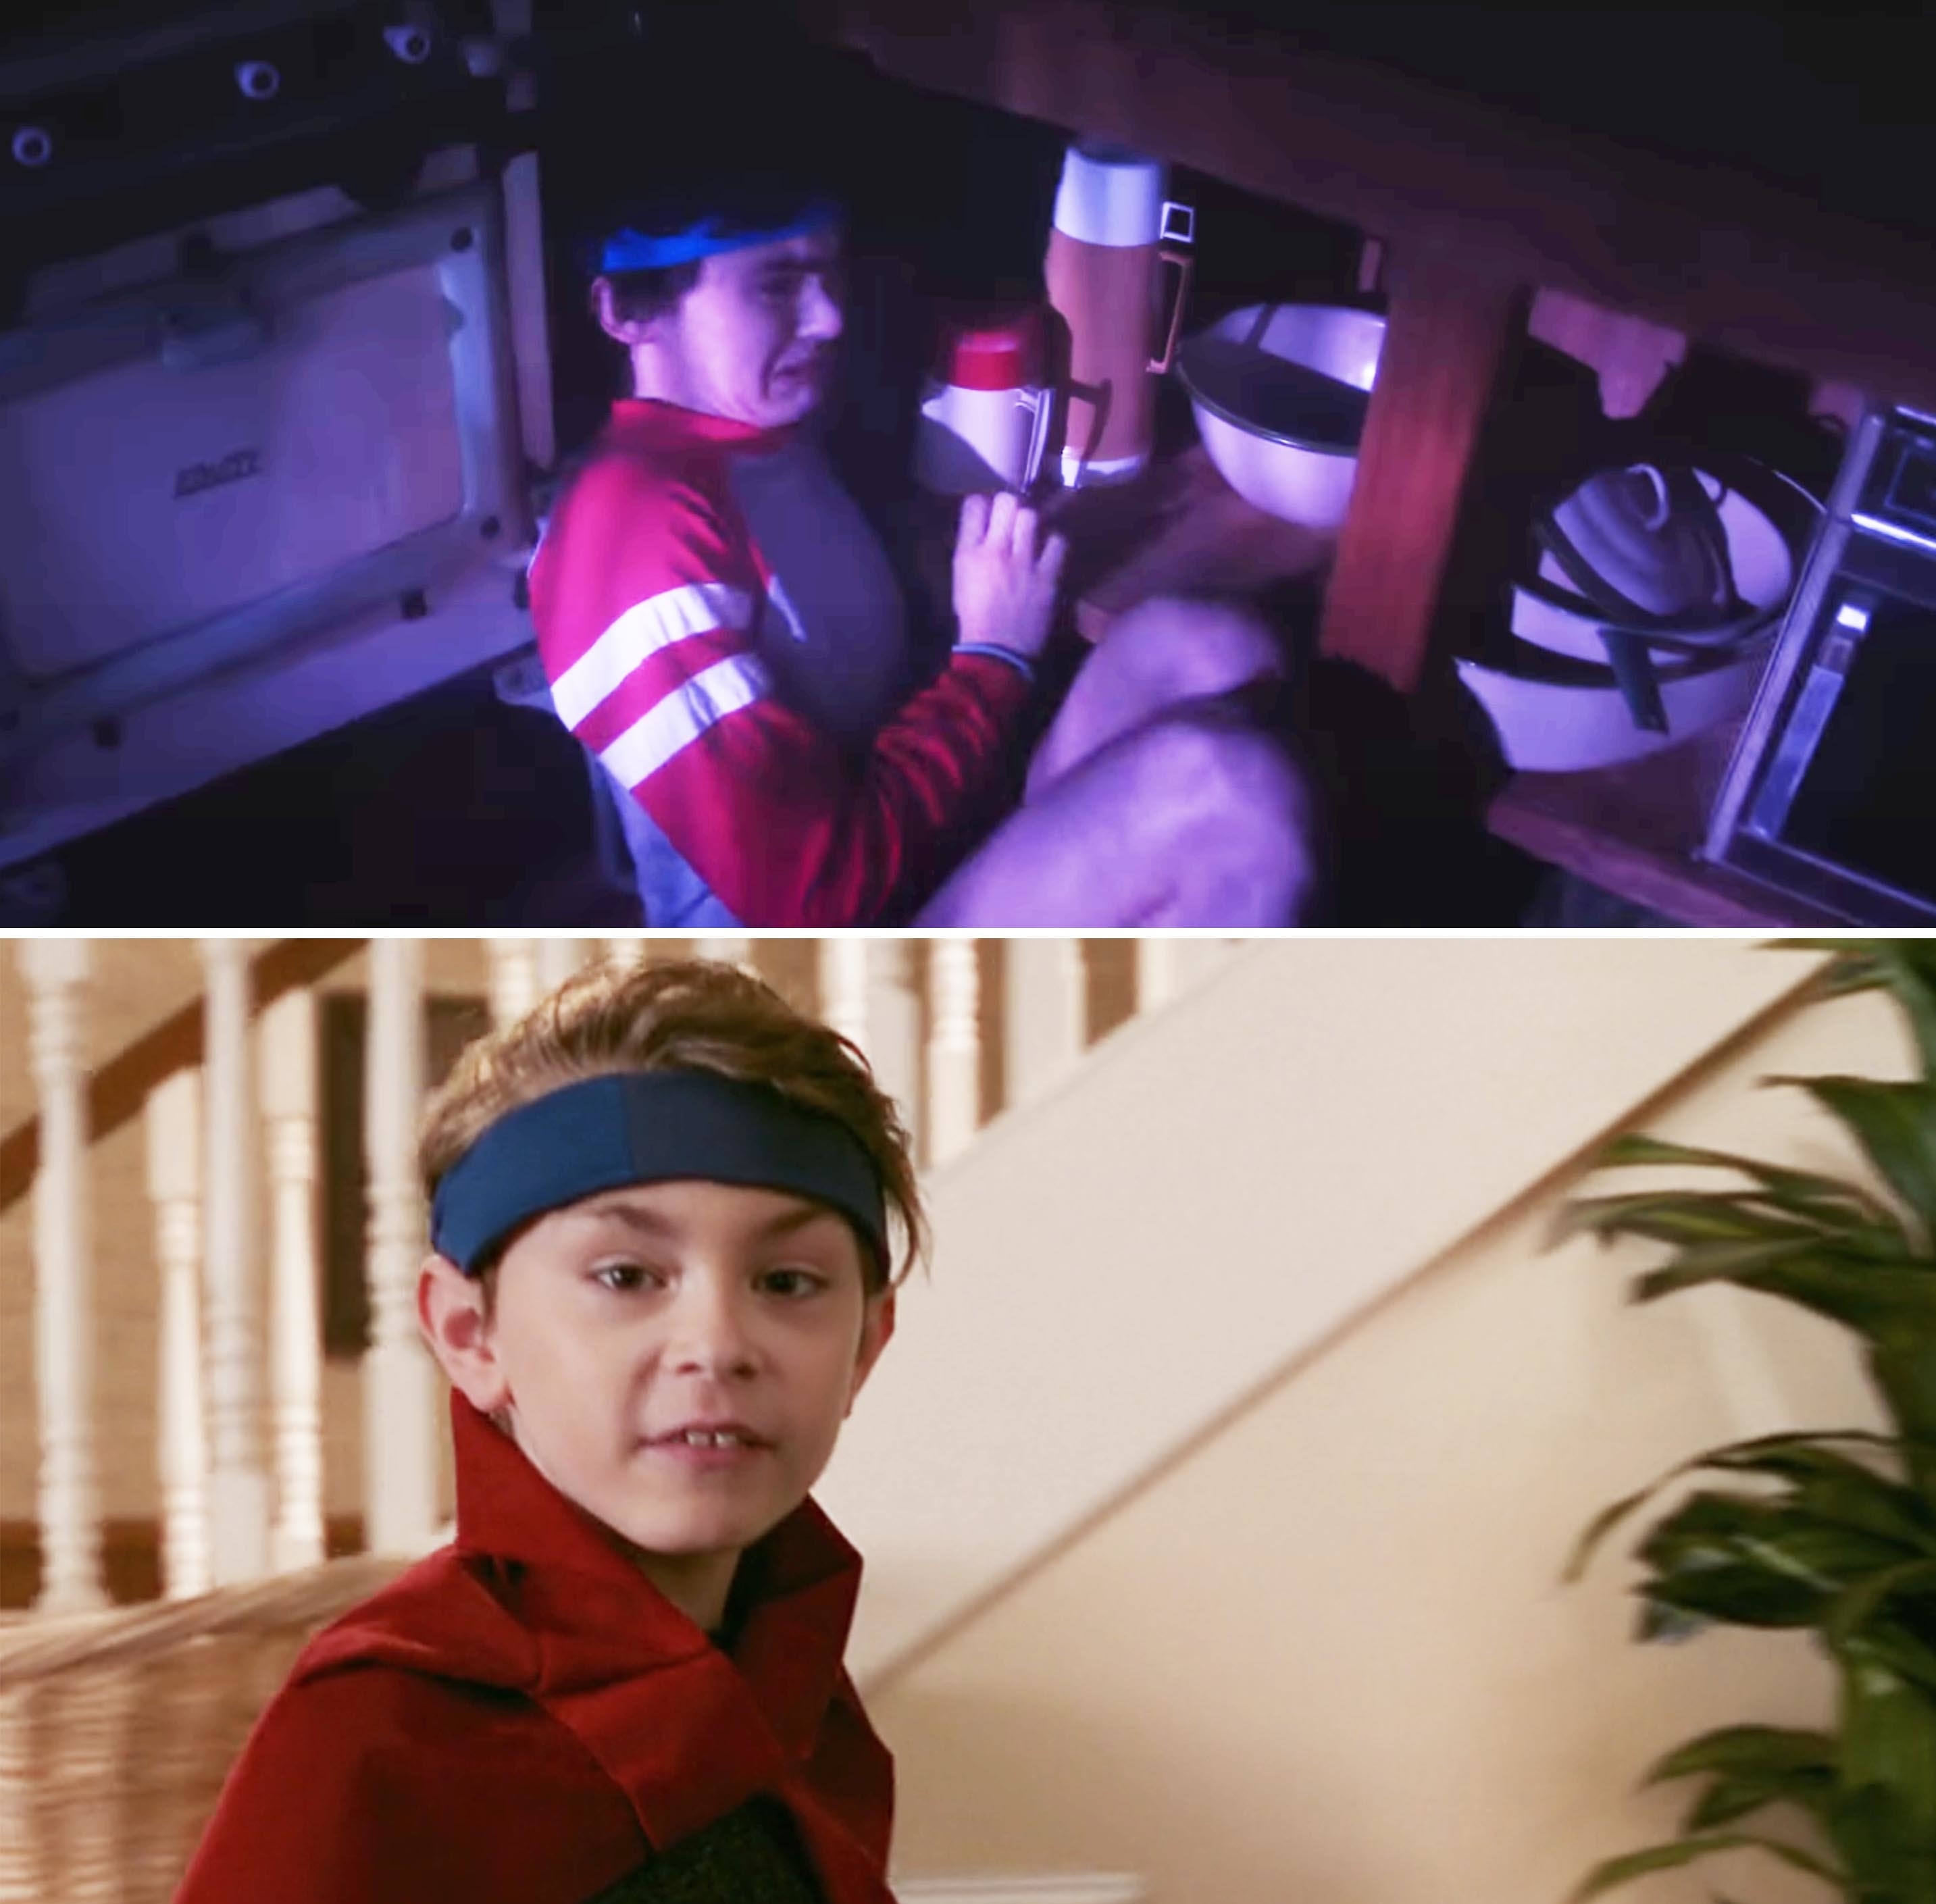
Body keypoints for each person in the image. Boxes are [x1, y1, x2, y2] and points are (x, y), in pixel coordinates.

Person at [176, 958, 918, 1904]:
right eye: (625, 1275)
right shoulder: (380, 1732)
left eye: (784, 1282)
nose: (717, 1344)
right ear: (469, 1332)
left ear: (864, 1345)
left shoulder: (800, 1702)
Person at [526, 172, 1319, 927]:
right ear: (628, 310)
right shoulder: (631, 527)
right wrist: (991, 656)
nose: (830, 317)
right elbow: (818, 900)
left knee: (1209, 646)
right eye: (776, 284)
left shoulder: (752, 438)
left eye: (827, 271)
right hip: (795, 988)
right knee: (1234, 794)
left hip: (909, 867)